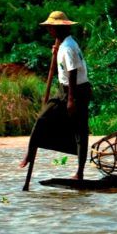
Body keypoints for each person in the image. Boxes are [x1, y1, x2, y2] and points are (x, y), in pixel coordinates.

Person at [19, 11, 92, 181]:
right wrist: (57, 48)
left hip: (75, 90)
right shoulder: (65, 43)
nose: (49, 31)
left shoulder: (67, 47)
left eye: (51, 28)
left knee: (79, 130)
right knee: (43, 118)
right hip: (66, 89)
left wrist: (71, 100)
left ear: (57, 29)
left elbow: (73, 72)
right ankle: (30, 152)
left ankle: (79, 173)